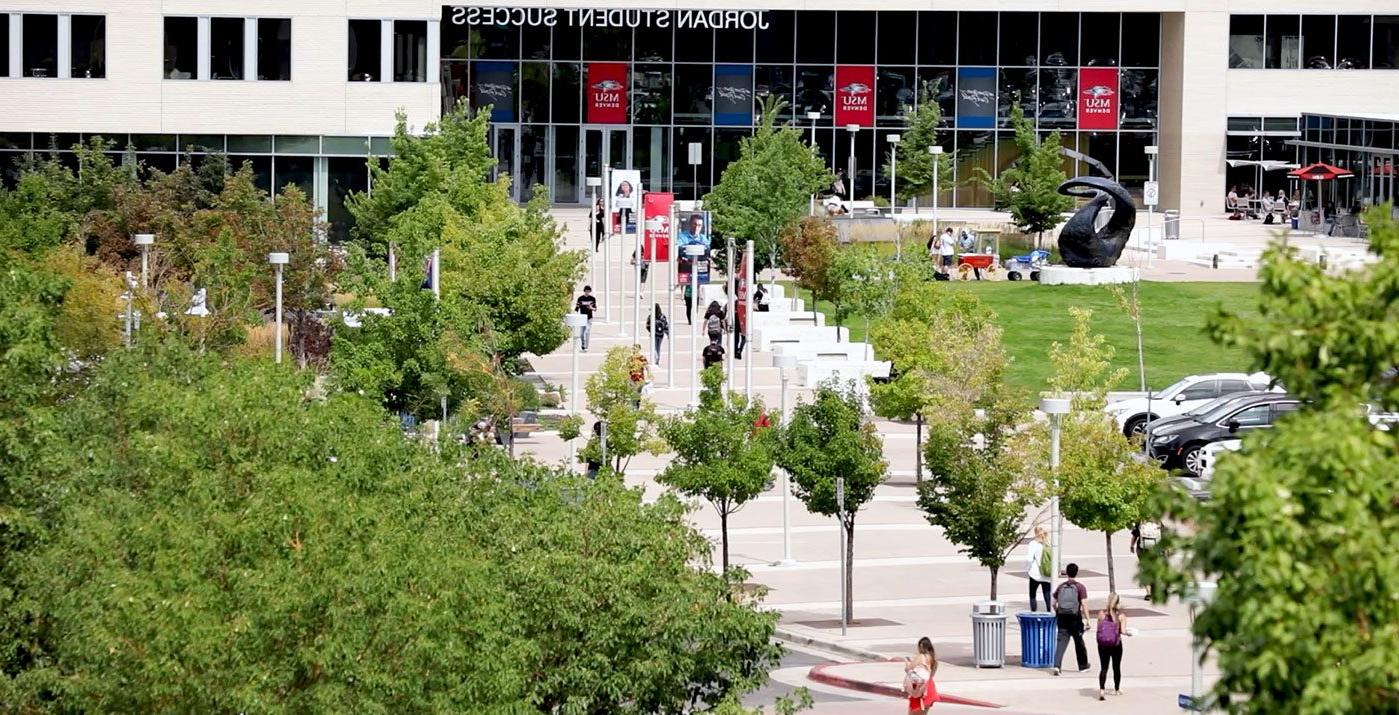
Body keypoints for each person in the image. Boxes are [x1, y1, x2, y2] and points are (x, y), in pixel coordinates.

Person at [1052, 562, 1090, 676]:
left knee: (1061, 643)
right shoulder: (1080, 587)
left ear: (1066, 573)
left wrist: (1058, 611)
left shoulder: (1060, 587)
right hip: (1075, 618)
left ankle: (1057, 666)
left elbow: (1053, 602)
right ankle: (1083, 665)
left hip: (1062, 617)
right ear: (1076, 573)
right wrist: (1087, 619)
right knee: (1079, 641)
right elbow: (1084, 604)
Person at [1095, 592, 1127, 700]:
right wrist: (1128, 633)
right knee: (1116, 667)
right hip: (1115, 644)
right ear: (1118, 603)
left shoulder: (1101, 614)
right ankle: (1117, 689)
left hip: (1103, 645)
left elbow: (1099, 629)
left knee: (1104, 667)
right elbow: (1122, 631)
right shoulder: (1121, 616)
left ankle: (1102, 691)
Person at [902, 636, 939, 714]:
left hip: (920, 688)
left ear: (921, 646)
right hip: (930, 688)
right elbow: (931, 675)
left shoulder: (920, 657)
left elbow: (908, 669)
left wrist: (907, 663)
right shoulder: (935, 660)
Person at [1026, 524, 1052, 612]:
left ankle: (1033, 613)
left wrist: (1028, 569)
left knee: (1032, 595)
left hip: (1035, 574)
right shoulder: (1049, 544)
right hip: (1047, 574)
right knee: (1047, 596)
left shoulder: (1033, 543)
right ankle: (1050, 614)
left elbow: (1029, 559)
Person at [573, 286, 597, 351]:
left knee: (587, 331)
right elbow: (577, 308)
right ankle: (583, 344)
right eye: (586, 291)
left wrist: (591, 308)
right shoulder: (580, 298)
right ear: (584, 291)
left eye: (589, 291)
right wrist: (574, 315)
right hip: (582, 318)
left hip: (589, 317)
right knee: (581, 333)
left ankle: (586, 346)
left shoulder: (592, 298)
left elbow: (595, 309)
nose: (587, 292)